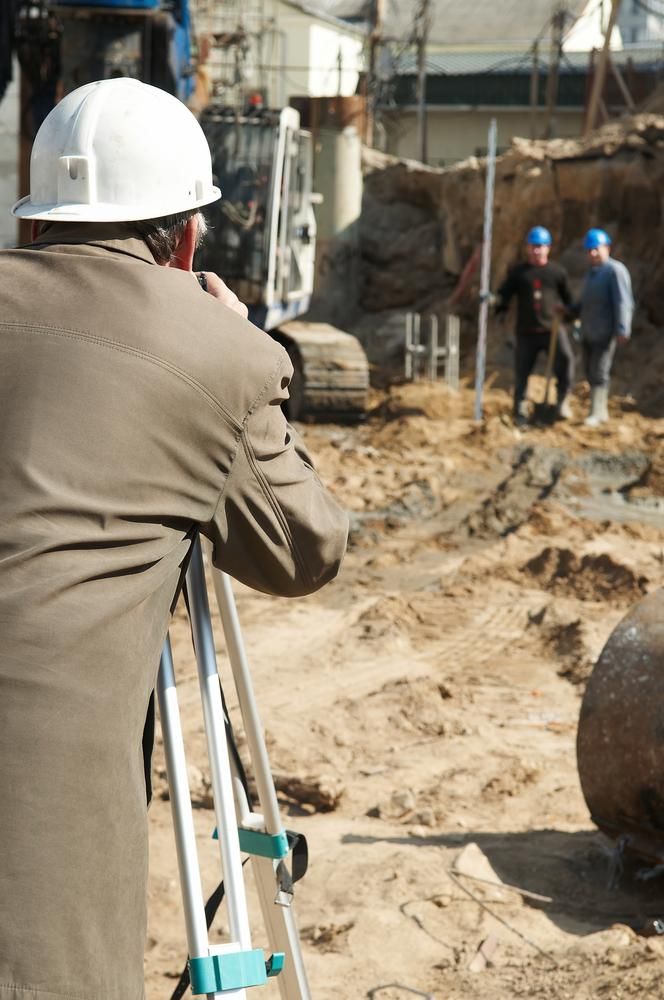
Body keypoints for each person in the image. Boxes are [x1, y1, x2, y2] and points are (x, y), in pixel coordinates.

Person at [0, 78, 348, 1000]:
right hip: (34, 855)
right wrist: (230, 345)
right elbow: (308, 547)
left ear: (35, 222)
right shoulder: (213, 349)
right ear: (187, 236)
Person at [494, 225, 575, 426]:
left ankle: (562, 401)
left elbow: (569, 301)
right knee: (522, 372)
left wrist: (569, 316)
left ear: (548, 248)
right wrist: (495, 304)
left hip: (552, 331)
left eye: (540, 246)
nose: (536, 250)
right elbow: (504, 295)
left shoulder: (557, 272)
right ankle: (520, 410)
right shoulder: (519, 273)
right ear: (528, 248)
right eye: (533, 246)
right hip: (526, 333)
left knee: (565, 362)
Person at [578, 228, 633, 427]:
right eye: (589, 250)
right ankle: (598, 410)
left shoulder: (614, 271)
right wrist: (569, 311)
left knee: (600, 371)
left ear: (607, 248)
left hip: (605, 331)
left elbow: (623, 301)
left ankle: (598, 412)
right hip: (589, 331)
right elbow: (584, 303)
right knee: (590, 371)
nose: (592, 253)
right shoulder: (591, 275)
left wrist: (622, 327)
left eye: (596, 249)